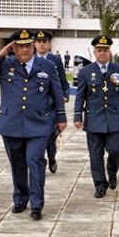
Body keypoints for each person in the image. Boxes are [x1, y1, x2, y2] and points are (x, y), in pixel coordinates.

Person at [0, 29, 67, 219]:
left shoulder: (46, 65)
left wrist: (61, 118)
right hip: (11, 122)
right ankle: (20, 199)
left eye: (27, 46)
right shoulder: (6, 64)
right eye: (20, 46)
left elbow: (56, 92)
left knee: (35, 160)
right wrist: (1, 54)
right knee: (17, 163)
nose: (24, 50)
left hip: (39, 123)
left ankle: (37, 203)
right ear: (14, 47)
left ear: (32, 46)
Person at [74, 35, 119, 198]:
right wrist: (77, 116)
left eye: (105, 50)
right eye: (99, 50)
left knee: (115, 150)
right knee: (95, 155)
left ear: (110, 52)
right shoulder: (86, 72)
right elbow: (80, 95)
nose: (102, 53)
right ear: (94, 52)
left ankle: (112, 172)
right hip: (94, 119)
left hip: (114, 118)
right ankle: (100, 184)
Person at [33, 30, 70, 174]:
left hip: (51, 104)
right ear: (35, 44)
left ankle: (52, 157)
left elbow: (63, 80)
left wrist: (65, 95)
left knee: (50, 135)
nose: (42, 44)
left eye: (45, 42)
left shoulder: (55, 60)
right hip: (35, 104)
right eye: (39, 42)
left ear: (49, 44)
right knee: (37, 135)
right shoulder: (29, 59)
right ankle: (39, 161)